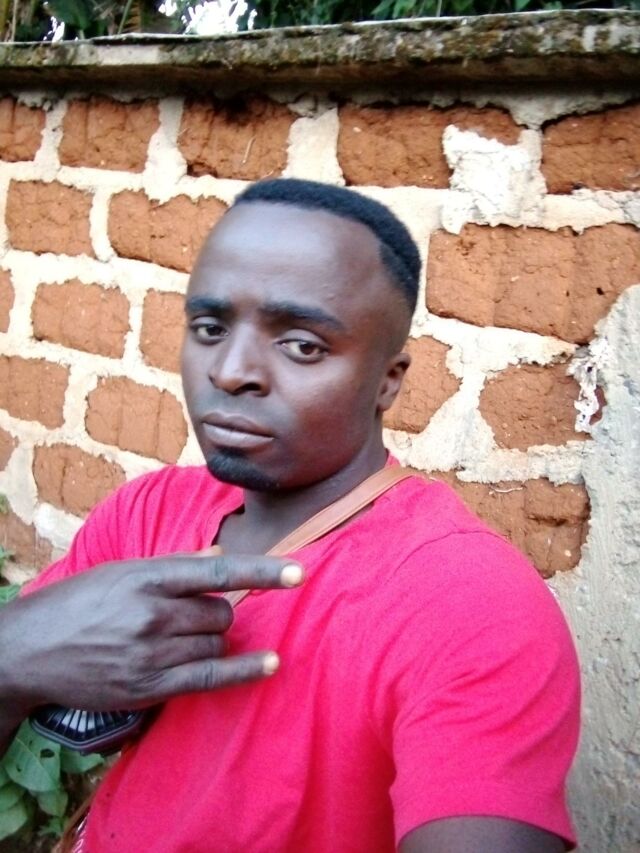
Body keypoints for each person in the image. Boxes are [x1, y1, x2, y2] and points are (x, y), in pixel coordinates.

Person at [0, 178, 579, 852]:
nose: (231, 371)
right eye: (210, 329)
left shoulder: (469, 604)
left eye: (302, 344)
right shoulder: (148, 515)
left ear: (388, 379)